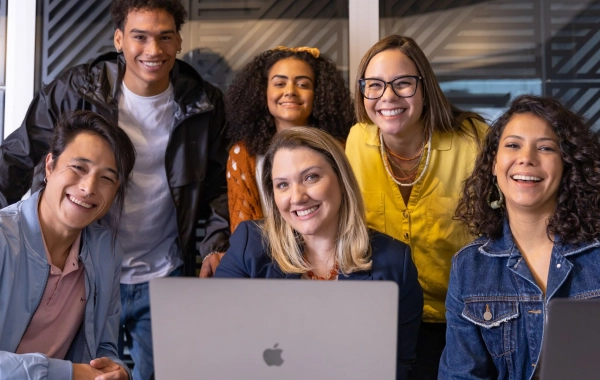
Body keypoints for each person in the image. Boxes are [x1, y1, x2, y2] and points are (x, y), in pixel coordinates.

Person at [0, 1, 230, 378]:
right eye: (140, 37)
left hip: (162, 271)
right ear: (119, 39)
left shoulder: (204, 103)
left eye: (164, 38)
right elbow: (15, 158)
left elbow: (218, 187)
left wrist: (215, 246)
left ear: (178, 43)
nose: (153, 50)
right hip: (82, 266)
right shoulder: (76, 89)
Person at [215, 127, 423, 380]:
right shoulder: (250, 245)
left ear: (340, 179)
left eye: (311, 177)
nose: (297, 197)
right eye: (282, 184)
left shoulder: (394, 261)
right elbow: (220, 350)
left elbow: (398, 363)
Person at [345, 35, 489, 379]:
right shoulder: (356, 140)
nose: (388, 97)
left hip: (462, 321)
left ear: (425, 87)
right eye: (374, 85)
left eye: (403, 83)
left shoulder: (474, 139)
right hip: (380, 319)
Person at [439, 95, 600, 379]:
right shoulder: (468, 267)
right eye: (513, 145)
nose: (526, 158)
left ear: (566, 165)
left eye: (546, 148)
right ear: (493, 164)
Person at [0, 111, 135, 380]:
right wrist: (70, 373)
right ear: (49, 166)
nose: (89, 187)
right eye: (79, 168)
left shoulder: (106, 251)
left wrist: (119, 372)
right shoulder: (4, 238)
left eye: (106, 178)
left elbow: (104, 348)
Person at [222, 45, 353, 236]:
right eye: (279, 83)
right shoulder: (244, 155)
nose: (290, 91)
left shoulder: (343, 149)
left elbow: (353, 213)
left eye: (303, 84)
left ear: (318, 93)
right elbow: (245, 233)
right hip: (269, 260)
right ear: (263, 92)